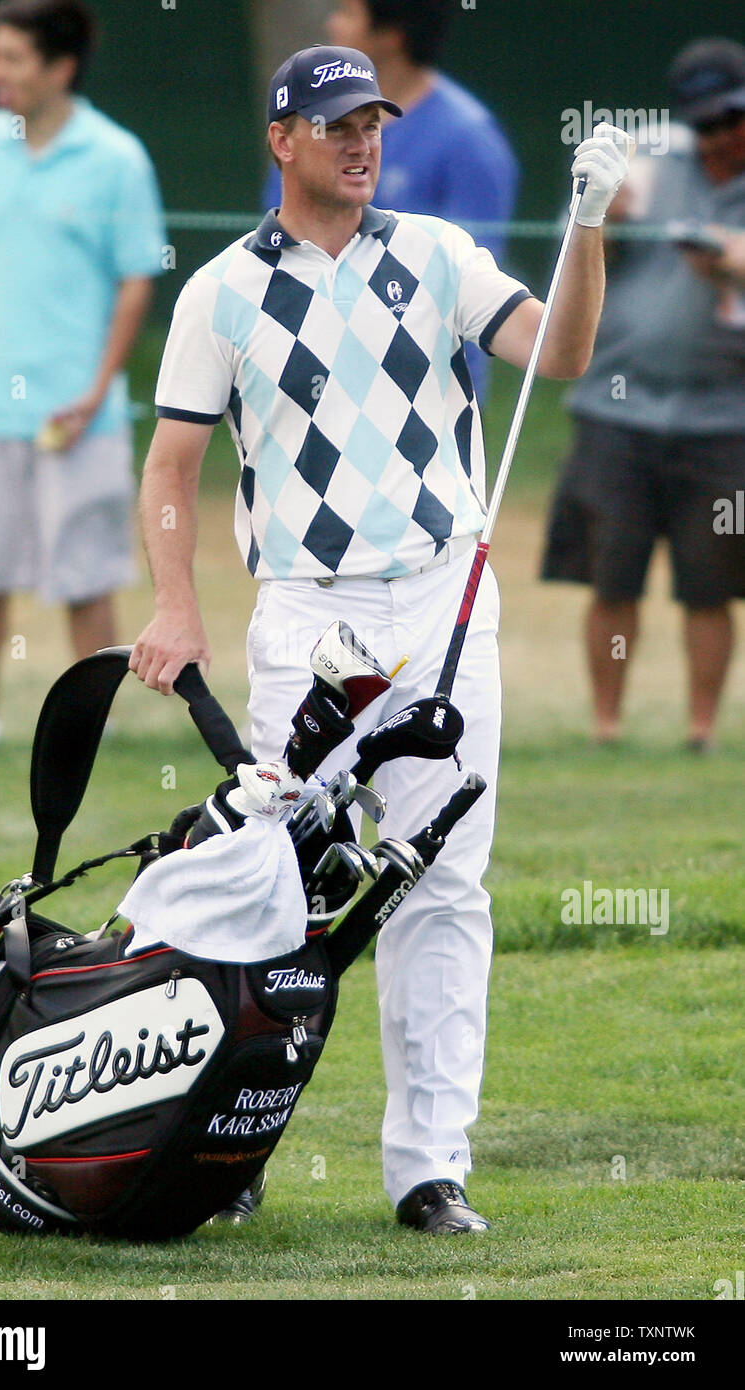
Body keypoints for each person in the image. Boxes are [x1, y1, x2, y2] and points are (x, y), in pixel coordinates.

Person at [130, 44, 626, 1233]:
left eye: (374, 123)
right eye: (336, 124)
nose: (362, 143)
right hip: (305, 611)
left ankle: (426, 1170)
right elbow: (170, 466)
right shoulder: (222, 290)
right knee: (268, 883)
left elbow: (559, 351)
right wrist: (175, 601)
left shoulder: (434, 254)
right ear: (281, 140)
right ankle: (223, 1149)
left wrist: (589, 224)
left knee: (442, 884)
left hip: (443, 596)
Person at [0, 0, 165, 745]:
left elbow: (135, 278)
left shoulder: (117, 158)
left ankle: (91, 727)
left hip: (76, 410)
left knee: (87, 573)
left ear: (59, 68)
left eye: (12, 59)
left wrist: (97, 389)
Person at [541, 38, 745, 751]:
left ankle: (700, 731)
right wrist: (602, 219)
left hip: (725, 416)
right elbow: (564, 270)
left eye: (731, 120)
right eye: (705, 124)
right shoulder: (648, 161)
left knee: (711, 582)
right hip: (616, 409)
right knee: (610, 574)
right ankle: (605, 727)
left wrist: (730, 261)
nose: (718, 137)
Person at [261, 0, 520, 404]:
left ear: (391, 35)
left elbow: (468, 284)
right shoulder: (305, 138)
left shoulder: (468, 139)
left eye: (347, 13)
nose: (332, 24)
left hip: (425, 399)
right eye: (337, 130)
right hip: (309, 387)